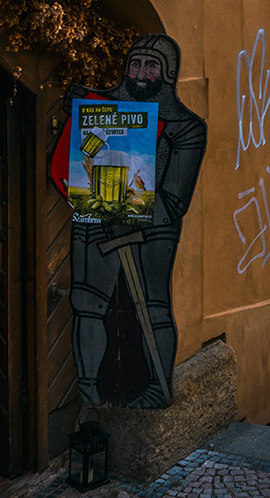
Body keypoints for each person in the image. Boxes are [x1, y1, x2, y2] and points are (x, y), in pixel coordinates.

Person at [62, 34, 207, 409]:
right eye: (136, 64)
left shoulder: (186, 127)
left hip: (153, 228)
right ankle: (89, 390)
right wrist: (80, 105)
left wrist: (132, 216)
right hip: (97, 215)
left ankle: (158, 387)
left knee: (153, 306)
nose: (141, 74)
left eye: (151, 65)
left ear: (168, 73)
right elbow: (84, 154)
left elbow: (175, 198)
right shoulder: (103, 111)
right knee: (87, 301)